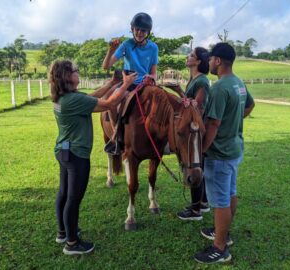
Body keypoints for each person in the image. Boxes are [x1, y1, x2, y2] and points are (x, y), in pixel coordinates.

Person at [50, 59, 137, 255]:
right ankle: (72, 243)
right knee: (74, 198)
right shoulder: (74, 100)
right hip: (76, 155)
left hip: (63, 150)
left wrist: (110, 84)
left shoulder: (64, 98)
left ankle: (63, 232)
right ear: (67, 76)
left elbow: (92, 97)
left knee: (63, 193)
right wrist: (125, 84)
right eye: (75, 70)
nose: (78, 72)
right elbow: (109, 103)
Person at [193, 43, 254, 264]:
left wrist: (202, 151)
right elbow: (250, 106)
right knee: (230, 193)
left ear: (218, 61)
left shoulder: (219, 88)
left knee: (219, 201)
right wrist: (234, 121)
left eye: (210, 59)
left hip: (220, 153)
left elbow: (214, 124)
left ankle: (219, 248)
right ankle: (223, 233)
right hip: (235, 148)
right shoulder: (238, 83)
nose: (208, 62)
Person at [164, 47, 211, 221]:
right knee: (199, 163)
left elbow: (195, 108)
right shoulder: (194, 79)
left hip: (195, 129)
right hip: (194, 128)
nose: (187, 57)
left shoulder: (202, 82)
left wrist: (176, 93)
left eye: (191, 55)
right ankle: (203, 203)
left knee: (194, 164)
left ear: (198, 61)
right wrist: (178, 90)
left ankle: (195, 210)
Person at [102, 12, 159, 155]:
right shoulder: (126, 44)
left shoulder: (153, 48)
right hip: (128, 82)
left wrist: (151, 77)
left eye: (143, 30)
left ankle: (163, 138)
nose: (139, 33)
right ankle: (116, 136)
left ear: (148, 32)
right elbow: (106, 66)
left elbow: (154, 73)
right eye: (137, 29)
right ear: (132, 29)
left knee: (164, 104)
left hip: (146, 84)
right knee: (112, 100)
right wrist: (111, 50)